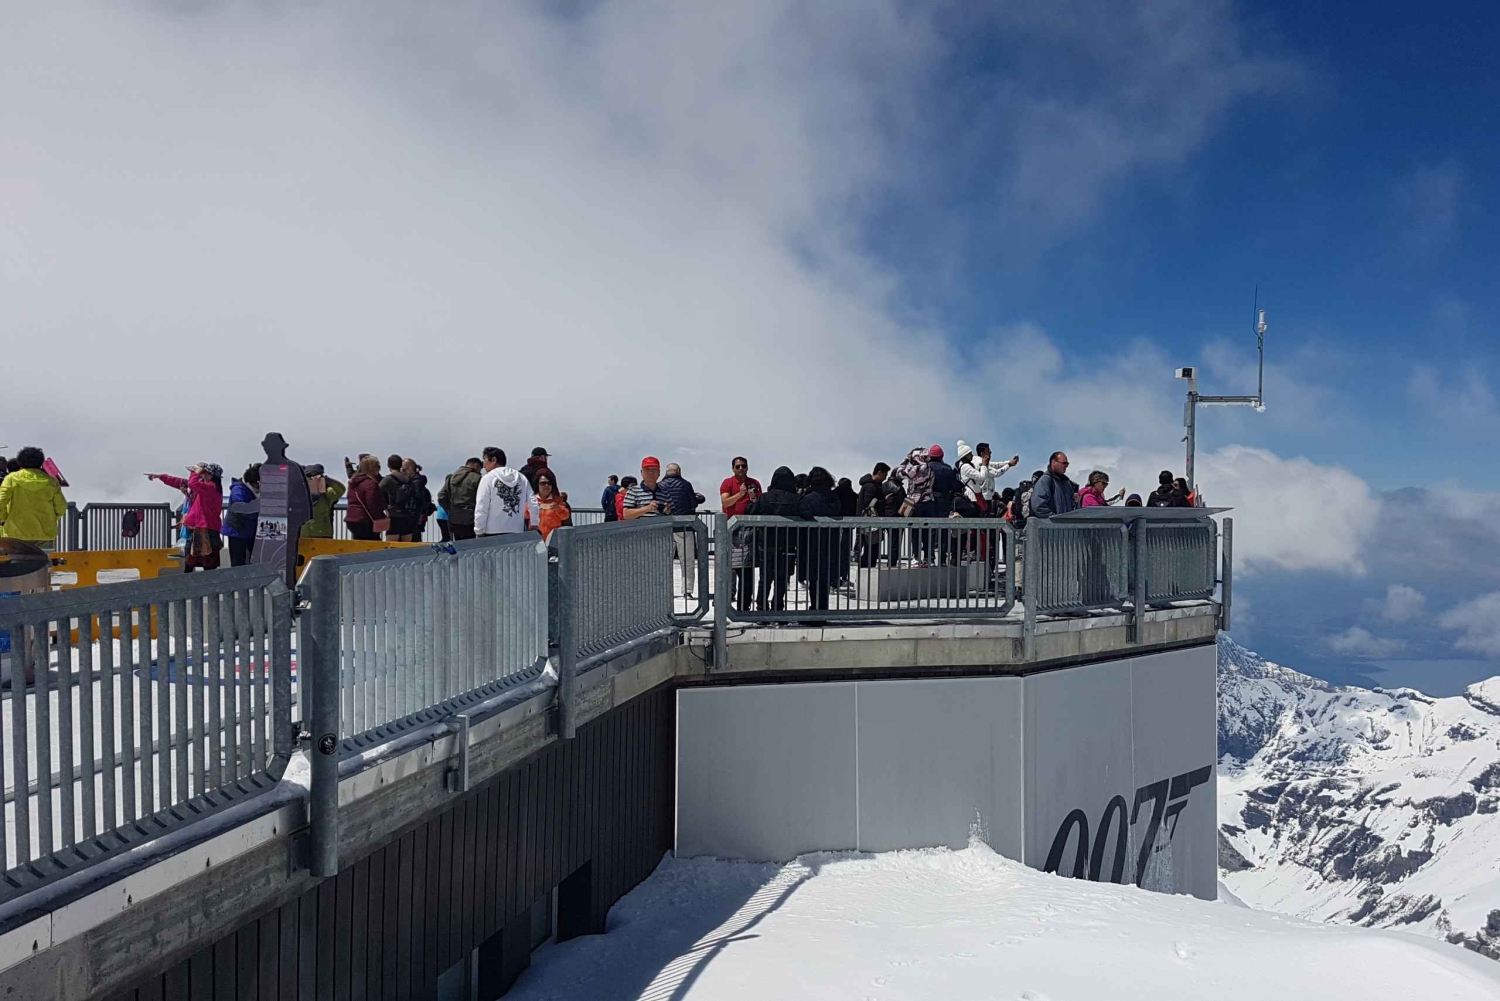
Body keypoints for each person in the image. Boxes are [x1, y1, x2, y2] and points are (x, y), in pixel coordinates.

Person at [0, 446, 68, 597]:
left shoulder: (12, 479)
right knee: (42, 566)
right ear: (41, 463)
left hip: (16, 534)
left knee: (16, 570)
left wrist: (3, 519)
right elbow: (61, 508)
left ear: (20, 462)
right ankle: (40, 599)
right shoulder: (51, 482)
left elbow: (1, 502)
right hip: (45, 534)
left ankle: (19, 602)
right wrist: (51, 520)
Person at [148, 462, 224, 570]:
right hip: (200, 527)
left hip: (206, 528)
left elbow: (192, 484)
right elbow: (181, 482)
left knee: (206, 561)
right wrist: (161, 477)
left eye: (205, 473)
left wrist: (196, 473)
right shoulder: (206, 486)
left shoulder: (210, 487)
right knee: (195, 560)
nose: (203, 475)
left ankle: (201, 584)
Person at [748, 466, 801, 611]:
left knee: (765, 578)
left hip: (766, 542)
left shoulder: (765, 497)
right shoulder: (796, 499)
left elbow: (752, 513)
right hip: (788, 544)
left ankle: (761, 607)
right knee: (782, 578)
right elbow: (807, 514)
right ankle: (778, 607)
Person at [797, 466, 842, 613]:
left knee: (814, 580)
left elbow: (804, 513)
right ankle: (823, 609)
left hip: (812, 543)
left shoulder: (809, 499)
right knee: (824, 580)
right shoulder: (835, 498)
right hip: (831, 542)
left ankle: (815, 610)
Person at [719, 457, 762, 611]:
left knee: (747, 568)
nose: (741, 469)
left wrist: (753, 498)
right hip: (732, 528)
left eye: (743, 466)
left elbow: (759, 505)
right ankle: (728, 598)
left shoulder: (755, 483)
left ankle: (744, 606)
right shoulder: (727, 483)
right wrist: (740, 494)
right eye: (738, 466)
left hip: (749, 529)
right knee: (731, 565)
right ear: (733, 468)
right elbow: (725, 503)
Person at [657, 463, 704, 596]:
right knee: (687, 561)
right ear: (678, 471)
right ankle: (687, 591)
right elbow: (693, 503)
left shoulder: (659, 486)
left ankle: (664, 589)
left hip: (665, 527)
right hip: (685, 526)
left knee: (664, 562)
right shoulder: (686, 485)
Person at [474, 447, 537, 536]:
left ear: (494, 460)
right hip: (516, 531)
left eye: (485, 460)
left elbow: (481, 506)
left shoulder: (487, 479)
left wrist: (479, 530)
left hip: (492, 533)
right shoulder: (521, 478)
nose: (484, 465)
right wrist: (534, 523)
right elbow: (533, 502)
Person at [223, 464, 261, 566]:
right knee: (239, 562)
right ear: (257, 481)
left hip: (250, 530)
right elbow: (241, 507)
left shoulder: (253, 490)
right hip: (238, 531)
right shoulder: (239, 489)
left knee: (252, 561)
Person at [438, 458, 483, 541]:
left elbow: (441, 496)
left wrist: (450, 509)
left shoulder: (451, 478)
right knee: (472, 548)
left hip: (454, 518)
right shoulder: (477, 478)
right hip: (471, 519)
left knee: (459, 547)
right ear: (476, 466)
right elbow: (483, 499)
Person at [345, 455, 387, 540]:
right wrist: (381, 517)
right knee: (374, 546)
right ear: (372, 468)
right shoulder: (370, 483)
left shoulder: (353, 481)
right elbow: (372, 503)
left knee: (359, 545)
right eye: (377, 466)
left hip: (352, 519)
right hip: (365, 520)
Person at [855, 463, 889, 568]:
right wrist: (884, 501)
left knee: (869, 549)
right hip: (870, 524)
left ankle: (866, 569)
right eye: (884, 475)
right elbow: (868, 504)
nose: (885, 478)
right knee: (871, 549)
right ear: (879, 473)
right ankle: (867, 570)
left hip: (866, 523)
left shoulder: (869, 485)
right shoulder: (871, 487)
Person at [1029, 452, 1079, 519]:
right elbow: (1038, 506)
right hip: (1051, 527)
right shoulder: (1046, 480)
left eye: (1067, 464)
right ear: (1053, 462)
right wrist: (1054, 519)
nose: (1066, 466)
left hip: (1065, 526)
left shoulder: (1066, 483)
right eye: (1064, 463)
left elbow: (1072, 505)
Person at [301, 464, 346, 539]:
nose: (312, 479)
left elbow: (340, 490)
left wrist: (329, 481)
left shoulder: (326, 493)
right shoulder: (300, 492)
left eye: (316, 476)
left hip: (322, 533)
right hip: (304, 534)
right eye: (309, 476)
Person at [533, 468, 572, 541]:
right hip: (535, 540)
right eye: (543, 483)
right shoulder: (531, 500)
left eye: (549, 483)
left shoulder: (557, 500)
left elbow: (566, 515)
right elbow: (524, 514)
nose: (546, 486)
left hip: (554, 541)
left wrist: (559, 509)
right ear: (537, 484)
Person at [406, 460, 435, 540]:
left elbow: (417, 498)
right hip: (419, 515)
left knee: (414, 536)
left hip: (415, 515)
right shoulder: (418, 482)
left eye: (404, 470)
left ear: (410, 468)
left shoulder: (416, 482)